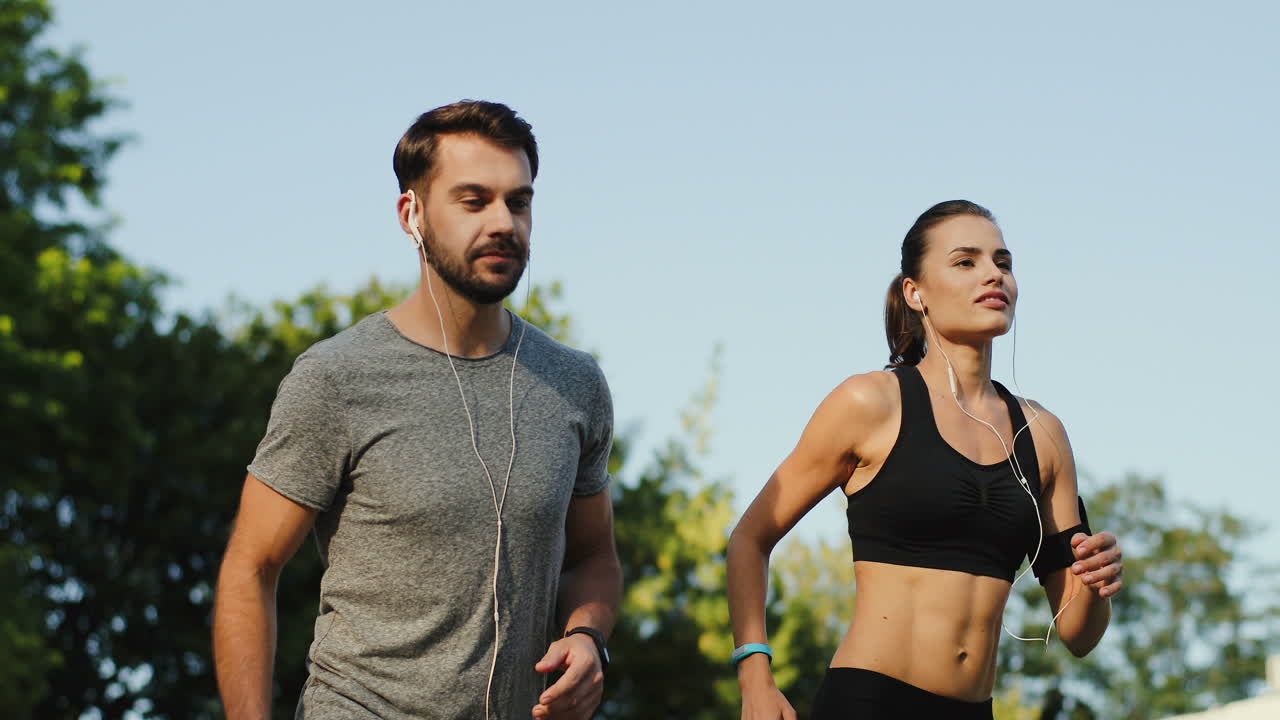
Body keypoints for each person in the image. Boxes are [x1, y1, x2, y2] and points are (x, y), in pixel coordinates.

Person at [213, 100, 620, 720]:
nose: (503, 222)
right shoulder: (337, 378)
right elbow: (251, 565)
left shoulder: (574, 382)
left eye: (519, 201)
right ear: (414, 214)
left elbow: (595, 560)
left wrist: (587, 636)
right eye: (473, 200)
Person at [726, 200, 1125, 719]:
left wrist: (1097, 583)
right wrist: (755, 676)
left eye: (1002, 262)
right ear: (916, 293)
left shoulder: (1044, 435)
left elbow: (1077, 634)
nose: (992, 274)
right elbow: (749, 539)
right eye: (966, 262)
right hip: (868, 702)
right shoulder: (871, 403)